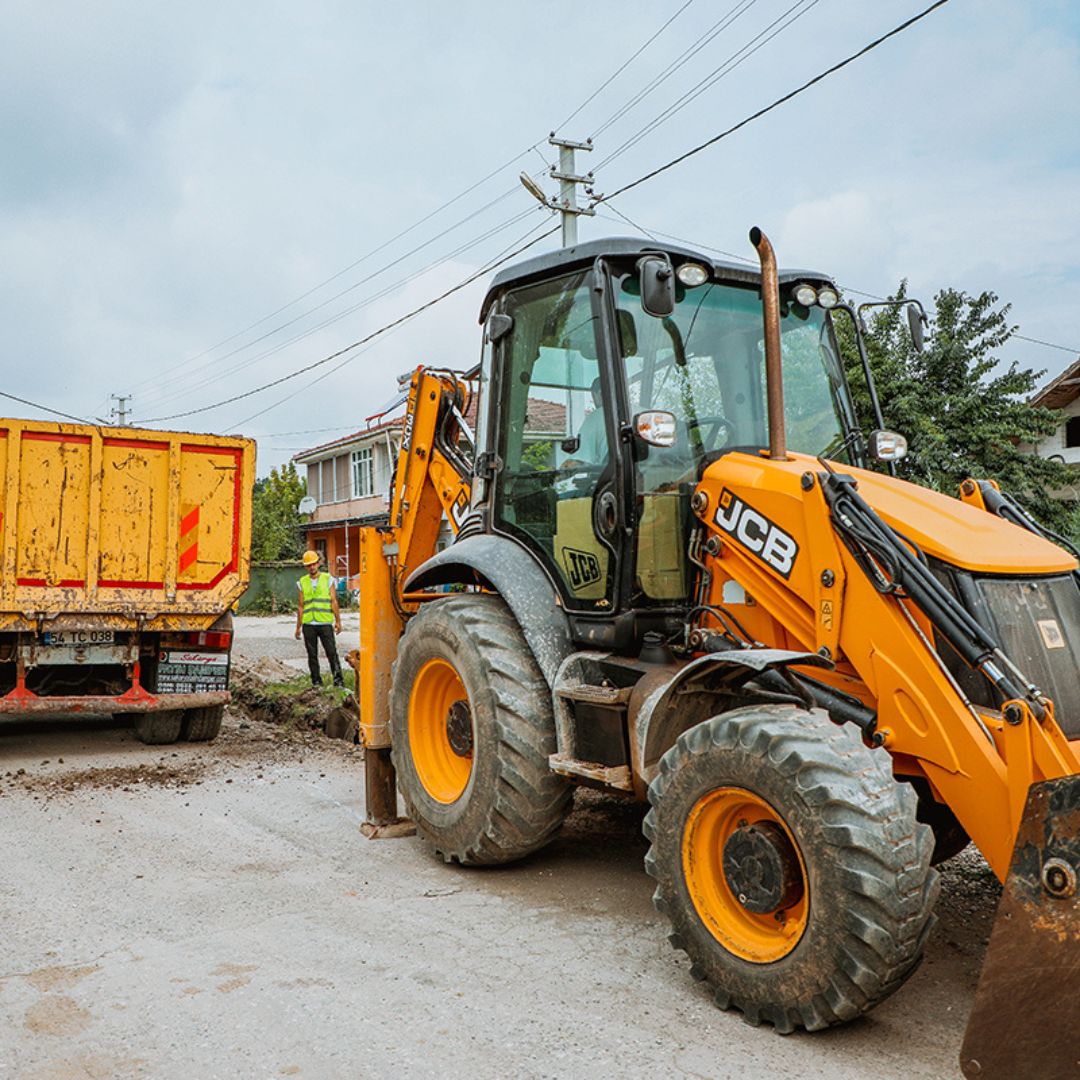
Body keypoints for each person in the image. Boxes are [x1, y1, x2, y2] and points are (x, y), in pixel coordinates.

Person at [294, 550, 344, 688]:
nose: (312, 567)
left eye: (314, 564)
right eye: (309, 565)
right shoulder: (302, 583)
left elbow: (334, 601)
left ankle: (338, 681)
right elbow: (300, 606)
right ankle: (316, 682)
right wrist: (298, 627)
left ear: (318, 563)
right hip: (309, 624)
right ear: (306, 567)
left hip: (324, 623)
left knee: (332, 652)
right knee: (312, 655)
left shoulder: (328, 579)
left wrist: (338, 621)